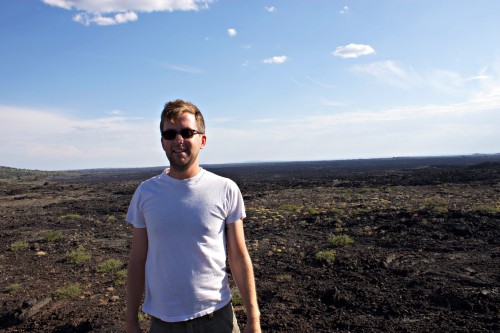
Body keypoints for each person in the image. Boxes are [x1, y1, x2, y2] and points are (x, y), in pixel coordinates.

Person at [125, 99, 261, 333]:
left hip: (218, 320)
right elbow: (137, 260)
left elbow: (239, 256)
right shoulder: (145, 193)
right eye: (170, 134)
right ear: (162, 142)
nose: (178, 140)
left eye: (187, 132)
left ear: (202, 140)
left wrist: (254, 319)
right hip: (163, 323)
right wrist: (130, 322)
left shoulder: (226, 189)